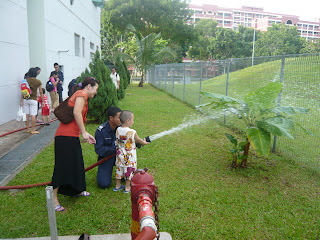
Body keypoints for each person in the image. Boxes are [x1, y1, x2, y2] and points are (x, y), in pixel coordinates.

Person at [50, 77, 99, 212]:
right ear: (89, 86)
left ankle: (77, 189)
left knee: (76, 163)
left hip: (71, 136)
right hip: (64, 137)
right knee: (61, 167)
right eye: (95, 89)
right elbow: (76, 112)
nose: (95, 92)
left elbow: (78, 118)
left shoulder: (82, 96)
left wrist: (84, 133)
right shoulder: (82, 94)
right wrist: (83, 132)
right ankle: (53, 199)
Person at [114, 110, 149, 193]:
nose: (133, 122)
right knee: (128, 172)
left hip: (120, 157)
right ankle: (127, 188)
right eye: (132, 120)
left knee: (119, 171)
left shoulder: (118, 130)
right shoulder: (132, 132)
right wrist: (144, 142)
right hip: (129, 158)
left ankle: (117, 186)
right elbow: (138, 140)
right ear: (128, 121)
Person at [95, 106, 122, 189]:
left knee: (128, 177)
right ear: (111, 118)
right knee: (103, 184)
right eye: (119, 118)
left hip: (120, 157)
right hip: (106, 158)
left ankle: (124, 172)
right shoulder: (101, 131)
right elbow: (99, 150)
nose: (121, 120)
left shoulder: (122, 129)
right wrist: (115, 148)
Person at [20, 68, 44, 134]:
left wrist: (21, 101)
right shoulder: (38, 81)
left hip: (26, 99)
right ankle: (33, 130)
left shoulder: (25, 81)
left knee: (26, 115)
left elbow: (22, 91)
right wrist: (43, 101)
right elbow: (41, 92)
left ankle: (27, 129)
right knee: (33, 114)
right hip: (33, 99)